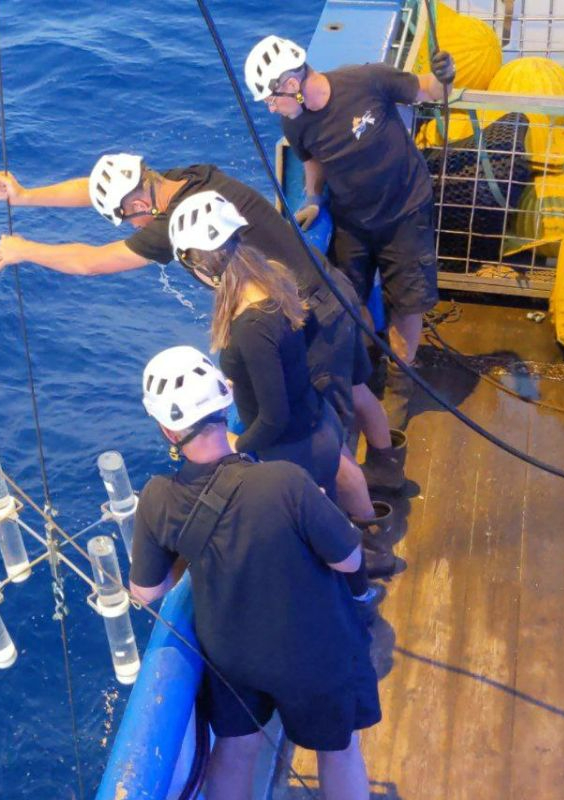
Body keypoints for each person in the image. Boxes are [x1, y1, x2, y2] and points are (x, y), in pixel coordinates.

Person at [0, 154, 407, 492]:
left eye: (128, 219)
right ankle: (387, 463)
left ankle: (360, 532)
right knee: (356, 387)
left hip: (306, 320)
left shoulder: (171, 229)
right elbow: (101, 186)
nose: (135, 227)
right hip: (330, 285)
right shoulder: (189, 178)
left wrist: (24, 249)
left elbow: (90, 263)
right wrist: (25, 196)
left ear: (138, 206)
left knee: (325, 438)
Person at [129, 345, 379, 800]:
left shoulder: (157, 499)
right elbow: (349, 560)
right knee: (338, 752)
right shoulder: (284, 481)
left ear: (168, 430)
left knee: (237, 749)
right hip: (312, 654)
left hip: (233, 661)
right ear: (225, 403)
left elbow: (147, 591)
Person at [167, 190, 405, 563]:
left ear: (202, 268)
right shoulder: (273, 278)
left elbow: (274, 417)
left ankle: (358, 579)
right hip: (318, 421)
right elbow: (279, 358)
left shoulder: (250, 326)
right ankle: (370, 550)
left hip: (296, 448)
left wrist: (237, 444)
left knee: (313, 533)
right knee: (334, 503)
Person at [246, 35, 457, 430]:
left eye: (272, 97)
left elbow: (428, 88)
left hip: (405, 212)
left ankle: (400, 382)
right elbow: (312, 162)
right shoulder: (296, 124)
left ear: (292, 84)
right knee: (347, 295)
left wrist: (446, 76)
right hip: (352, 221)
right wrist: (312, 198)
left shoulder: (367, 80)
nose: (272, 107)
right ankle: (365, 365)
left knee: (408, 302)